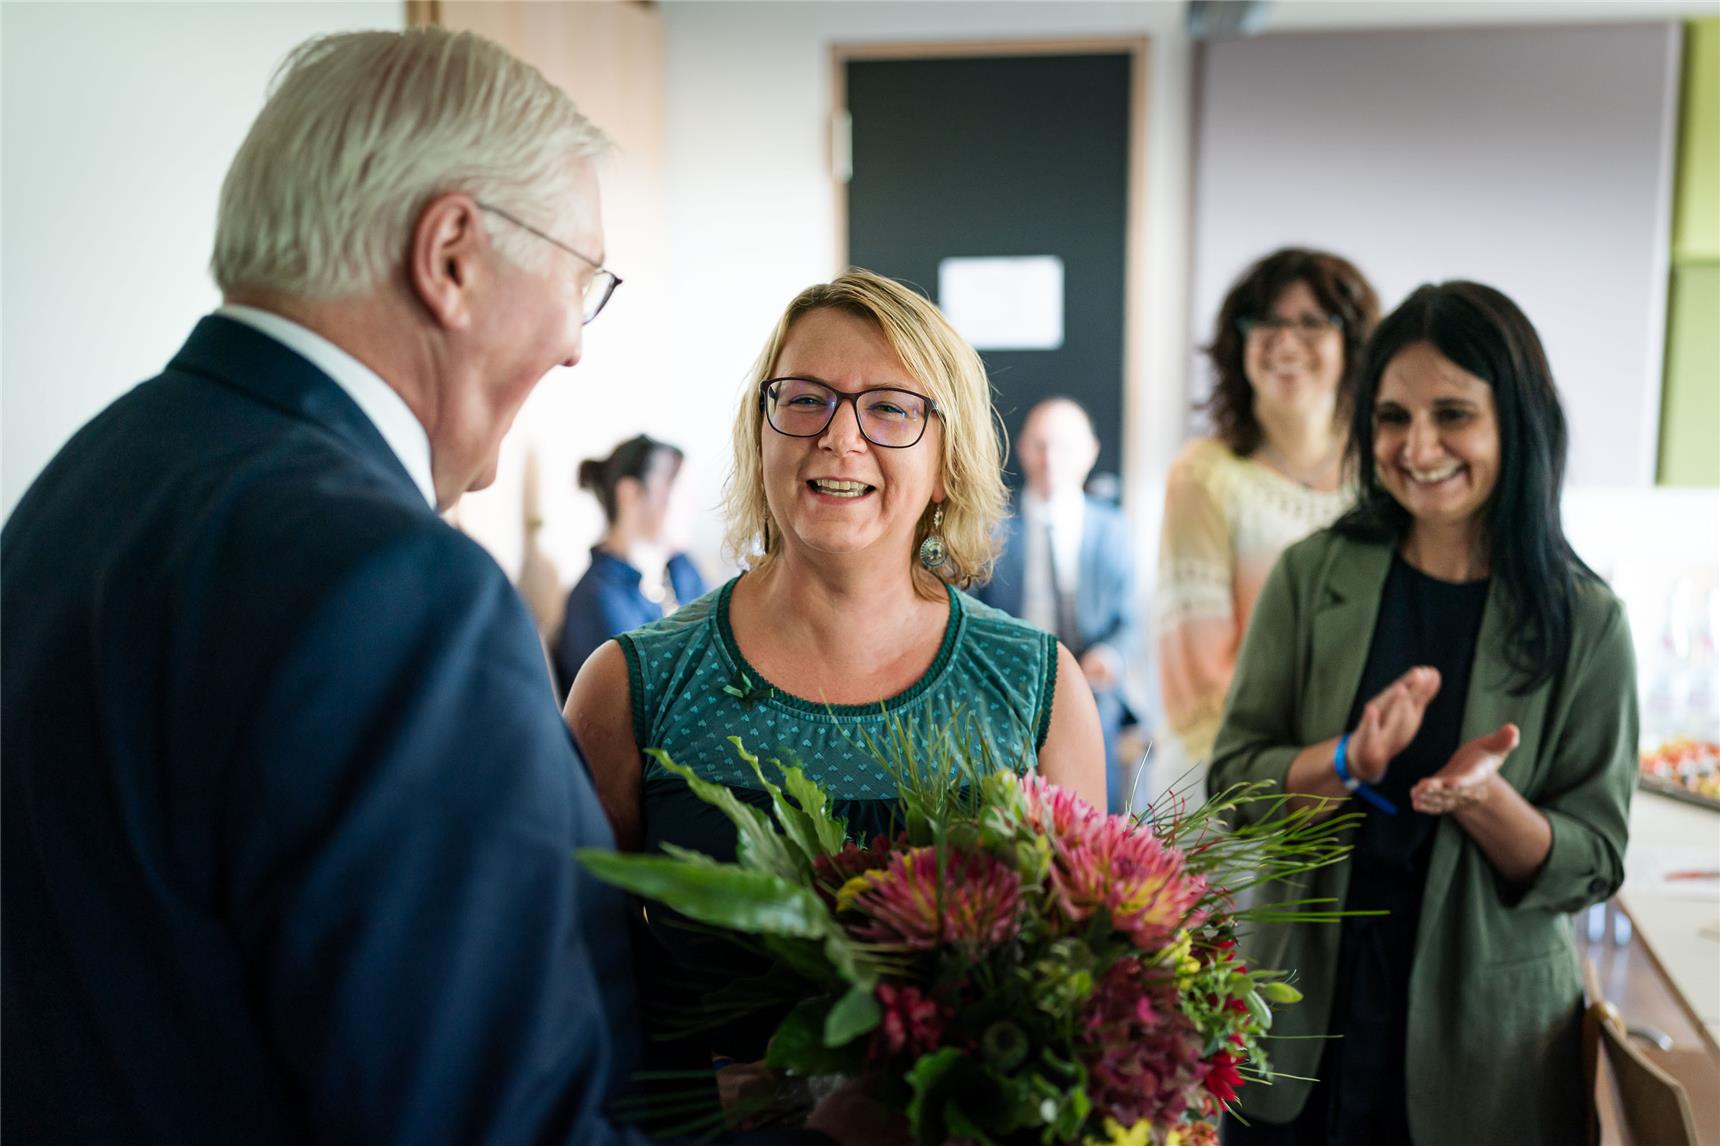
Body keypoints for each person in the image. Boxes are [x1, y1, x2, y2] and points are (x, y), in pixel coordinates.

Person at [0, 28, 867, 1146]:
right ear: (451, 254)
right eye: (581, 280)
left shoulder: (87, 482)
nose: (573, 348)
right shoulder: (390, 589)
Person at [566, 269, 1106, 1063]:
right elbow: (568, 1000)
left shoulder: (1038, 687)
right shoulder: (630, 685)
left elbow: (1083, 1005)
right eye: (805, 398)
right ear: (762, 431)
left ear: (949, 458)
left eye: (889, 407)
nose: (839, 436)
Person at [1209, 282, 1637, 1146]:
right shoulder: (1312, 575)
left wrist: (1485, 800)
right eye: (1393, 417)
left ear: (1516, 423)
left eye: (1453, 415)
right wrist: (1344, 765)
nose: (1419, 446)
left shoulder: (1586, 619)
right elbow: (1231, 784)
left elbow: (1591, 863)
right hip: (1303, 1008)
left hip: (1486, 1033)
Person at [1155, 248, 1379, 798]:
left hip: (1365, 781)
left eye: (1311, 322)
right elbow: (1199, 680)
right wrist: (1317, 766)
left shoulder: (1384, 473)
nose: (1285, 341)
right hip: (1236, 787)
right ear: (1240, 343)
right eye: (1268, 321)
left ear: (1351, 342)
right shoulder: (1205, 475)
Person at [976, 396, 1138, 811]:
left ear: (1090, 454)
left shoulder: (1113, 530)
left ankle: (1097, 836)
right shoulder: (991, 527)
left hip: (1089, 679)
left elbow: (1130, 620)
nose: (1051, 459)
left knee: (1094, 719)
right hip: (1012, 681)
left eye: (1063, 447)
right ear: (1023, 449)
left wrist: (1110, 654)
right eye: (1040, 445)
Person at [554, 434, 707, 697]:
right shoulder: (596, 597)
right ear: (631, 493)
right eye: (676, 487)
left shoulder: (683, 570)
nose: (691, 504)